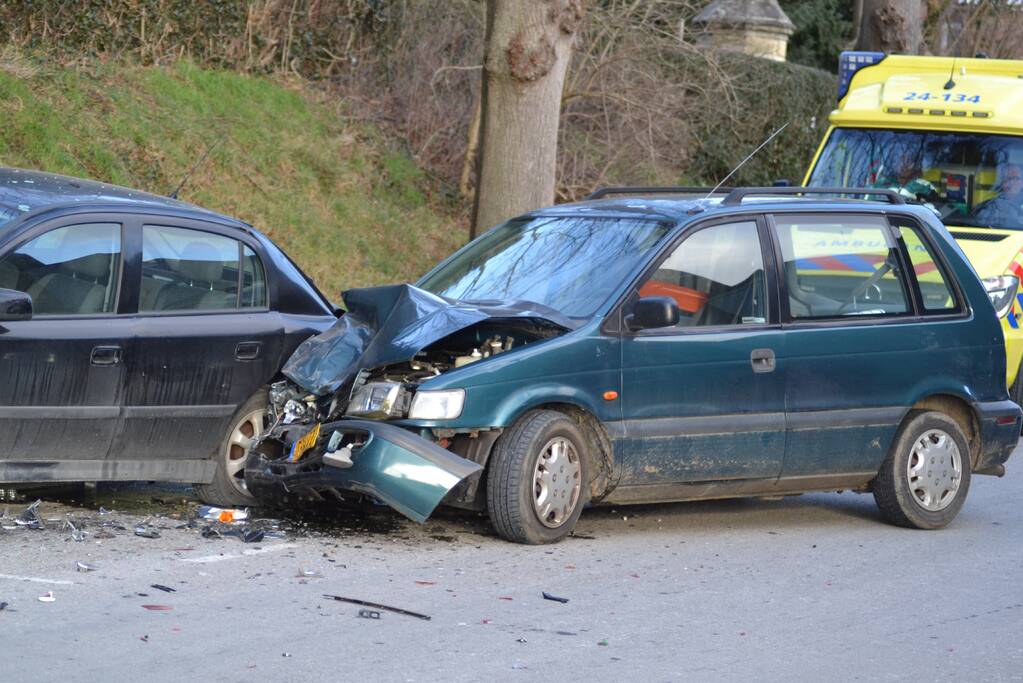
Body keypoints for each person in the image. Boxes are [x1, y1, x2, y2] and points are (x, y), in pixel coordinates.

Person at [871, 150, 939, 205]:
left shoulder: (924, 186)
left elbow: (935, 207)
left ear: (915, 166)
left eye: (908, 162)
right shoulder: (882, 183)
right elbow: (866, 202)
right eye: (900, 161)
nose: (903, 165)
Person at [970, 163, 1023, 227]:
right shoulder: (990, 205)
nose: (1011, 182)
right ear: (1003, 183)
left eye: (1016, 178)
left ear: (1022, 182)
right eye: (1007, 178)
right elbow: (978, 224)